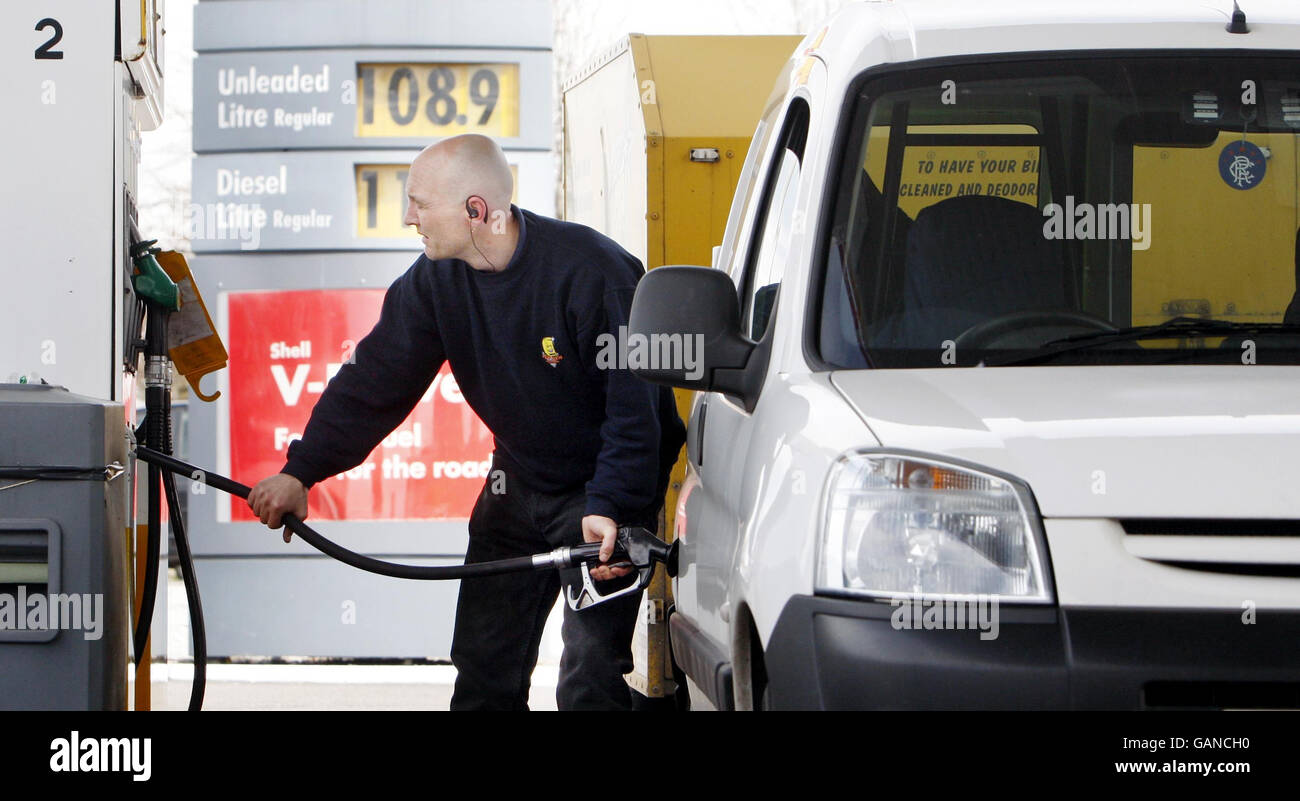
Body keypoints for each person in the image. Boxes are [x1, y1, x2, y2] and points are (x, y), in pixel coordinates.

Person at [247, 134, 686, 710]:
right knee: (483, 674)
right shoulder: (435, 282)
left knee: (587, 688)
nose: (409, 218)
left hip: (604, 493)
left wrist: (611, 503)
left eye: (419, 203)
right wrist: (301, 472)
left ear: (475, 210)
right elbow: (373, 382)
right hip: (517, 483)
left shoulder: (592, 272)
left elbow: (637, 411)